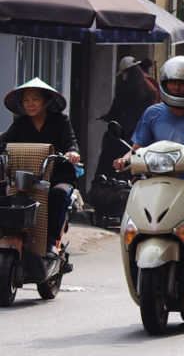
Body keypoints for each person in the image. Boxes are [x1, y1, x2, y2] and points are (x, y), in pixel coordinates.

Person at [113, 56, 184, 236]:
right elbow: (136, 149)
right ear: (165, 84)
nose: (177, 87)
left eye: (183, 83)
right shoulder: (152, 113)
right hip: (154, 180)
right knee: (129, 195)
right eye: (173, 82)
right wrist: (124, 160)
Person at [0, 78, 82, 256]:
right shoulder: (20, 123)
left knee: (58, 194)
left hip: (57, 175)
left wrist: (72, 152)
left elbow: (71, 143)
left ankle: (51, 241)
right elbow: (4, 141)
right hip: (26, 176)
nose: (30, 104)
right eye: (26, 100)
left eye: (35, 99)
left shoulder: (61, 121)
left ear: (46, 101)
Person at [96, 56, 159, 177]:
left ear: (126, 72)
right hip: (143, 133)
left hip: (126, 134)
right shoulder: (149, 87)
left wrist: (108, 116)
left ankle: (104, 178)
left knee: (108, 154)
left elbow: (116, 108)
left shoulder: (124, 87)